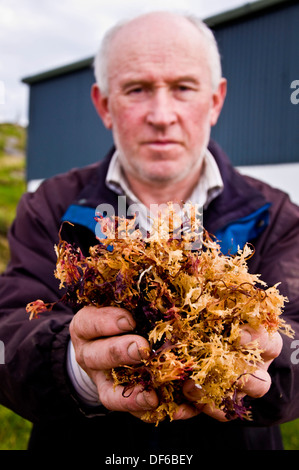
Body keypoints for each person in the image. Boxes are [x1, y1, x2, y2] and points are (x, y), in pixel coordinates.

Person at [0, 11, 299, 453]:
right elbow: (9, 331)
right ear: (104, 105)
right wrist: (76, 365)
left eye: (183, 88)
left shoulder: (275, 214)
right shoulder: (49, 206)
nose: (162, 116)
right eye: (137, 89)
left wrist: (266, 362)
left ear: (215, 101)